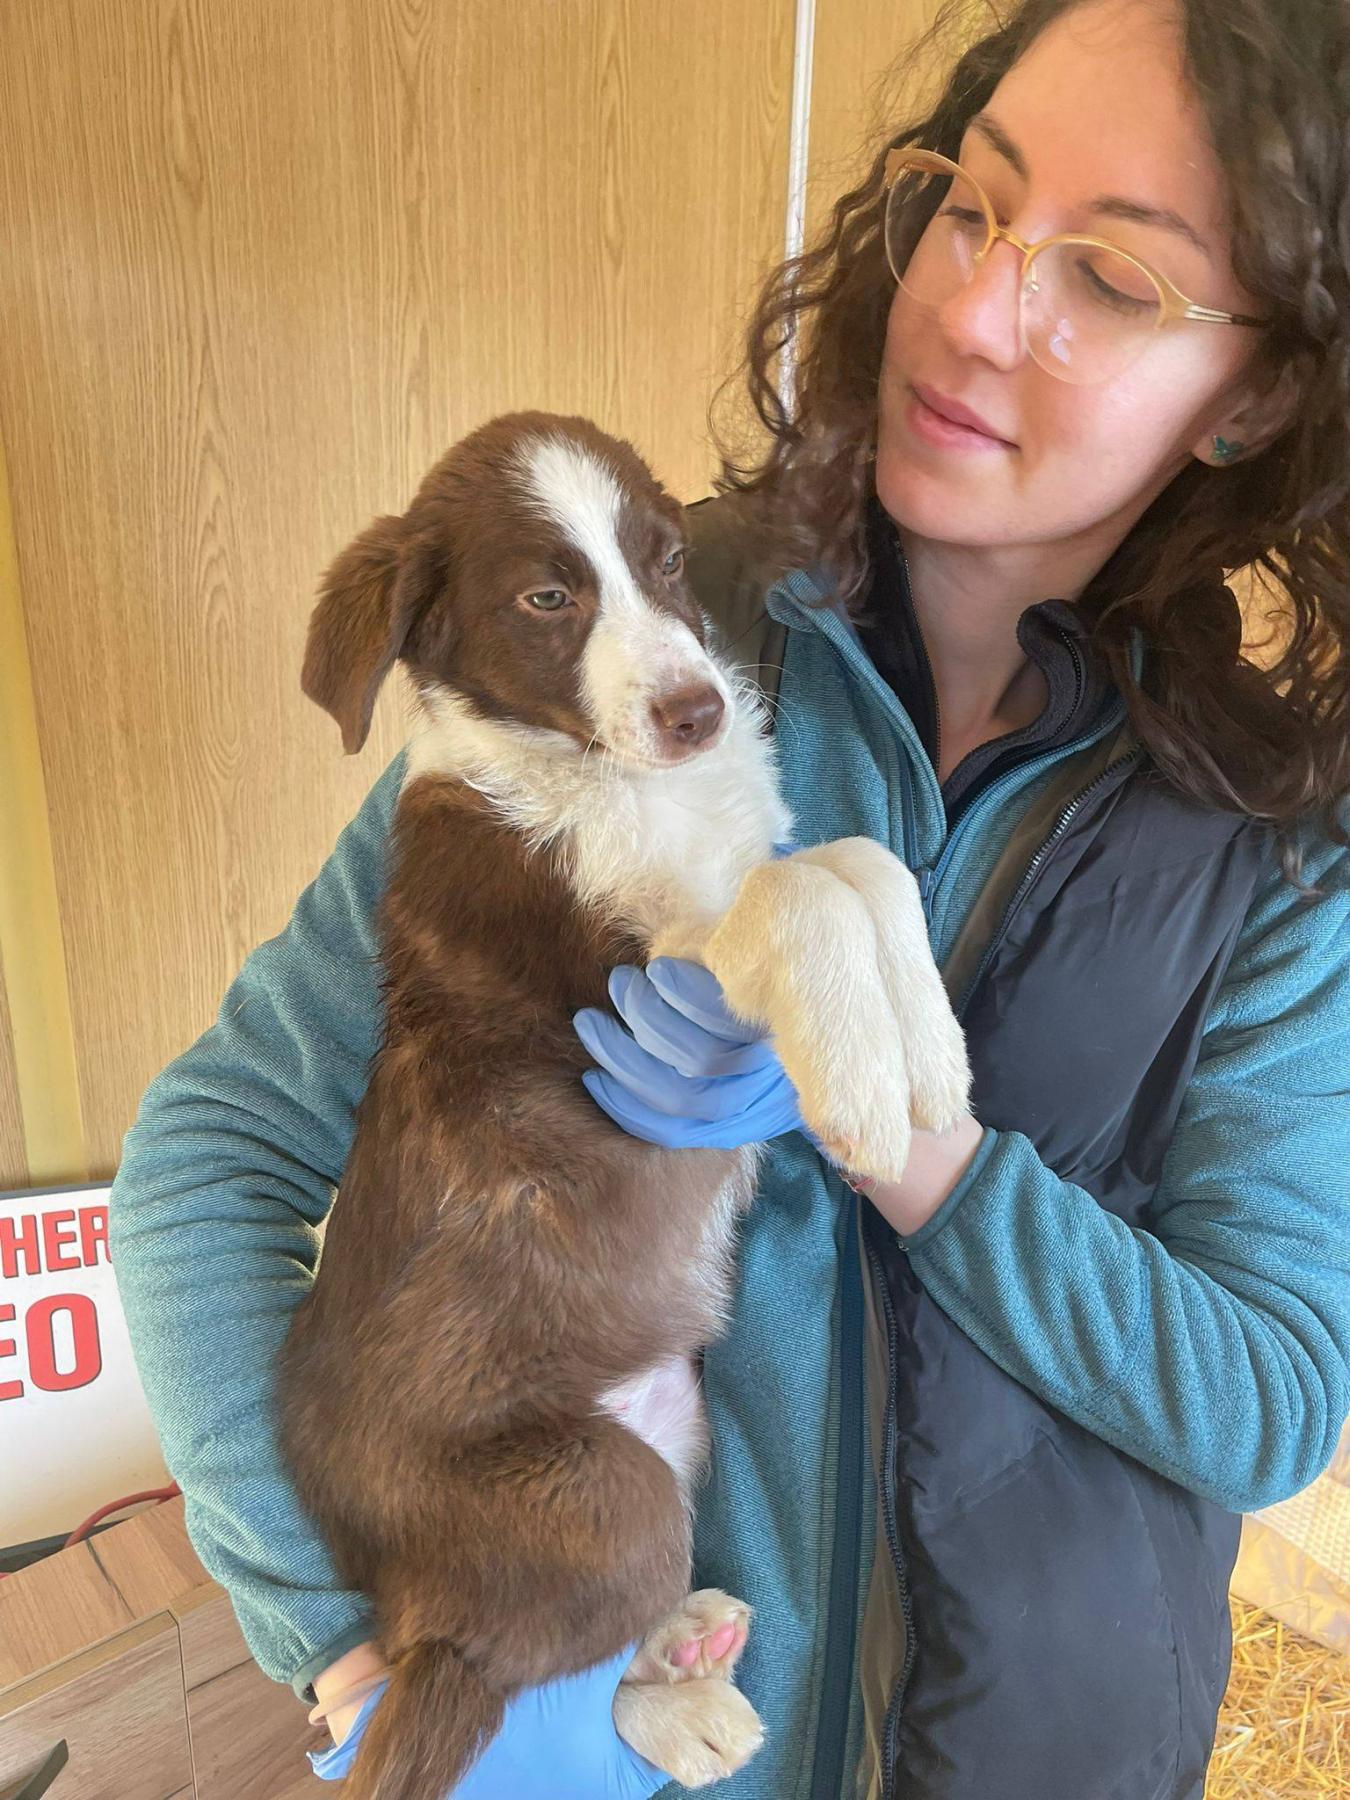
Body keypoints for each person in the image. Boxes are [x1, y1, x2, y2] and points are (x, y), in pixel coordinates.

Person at [108, 0, 1350, 1794]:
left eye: (1111, 277)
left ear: (1255, 397)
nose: (974, 312)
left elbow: (1267, 1400)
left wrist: (926, 1161)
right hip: (669, 1740)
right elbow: (211, 1153)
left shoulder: (1272, 840)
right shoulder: (603, 680)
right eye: (973, 207)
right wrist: (351, 1645)